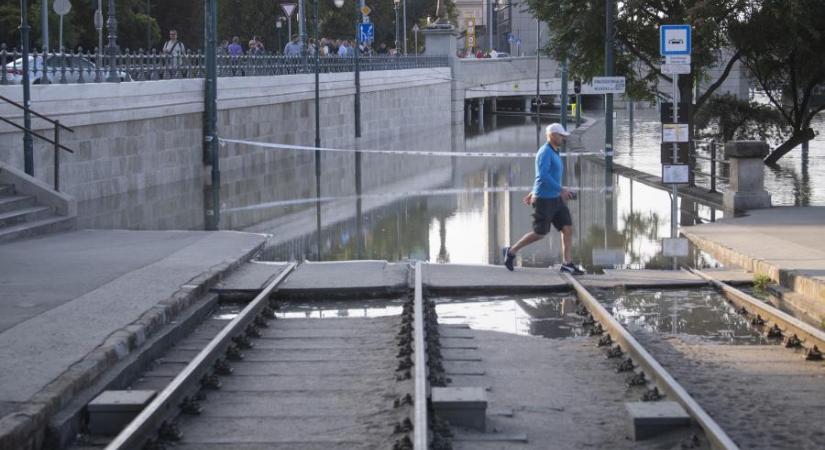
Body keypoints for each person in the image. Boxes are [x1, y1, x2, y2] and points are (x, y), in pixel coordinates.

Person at [502, 123, 584, 275]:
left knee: (567, 229)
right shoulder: (545, 152)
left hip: (556, 200)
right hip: (544, 200)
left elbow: (546, 176)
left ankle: (567, 264)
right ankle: (511, 251)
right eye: (561, 136)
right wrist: (560, 190)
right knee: (540, 233)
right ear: (552, 135)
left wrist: (533, 191)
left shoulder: (554, 152)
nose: (563, 138)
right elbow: (542, 176)